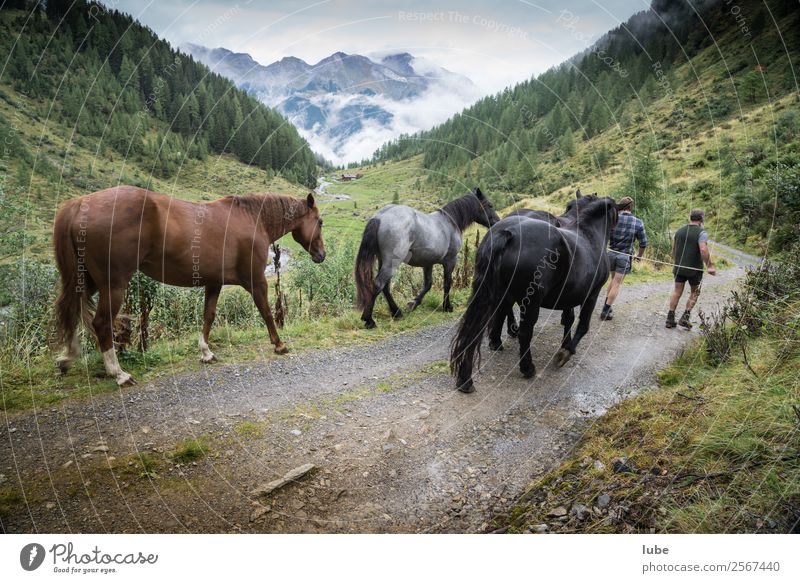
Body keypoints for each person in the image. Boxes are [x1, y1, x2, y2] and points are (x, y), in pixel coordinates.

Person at [666, 208, 716, 329]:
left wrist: (676, 261)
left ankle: (670, 319)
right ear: (701, 219)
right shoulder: (701, 233)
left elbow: (673, 250)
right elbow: (703, 250)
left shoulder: (679, 231)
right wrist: (710, 266)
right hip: (695, 269)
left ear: (691, 218)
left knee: (677, 291)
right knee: (695, 292)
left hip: (679, 267)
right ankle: (685, 318)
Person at [599, 196, 647, 321]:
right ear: (631, 207)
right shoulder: (638, 222)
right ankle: (605, 310)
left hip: (610, 254)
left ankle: (607, 305)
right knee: (617, 283)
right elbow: (643, 243)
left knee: (612, 280)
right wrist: (639, 256)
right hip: (624, 256)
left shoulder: (613, 219)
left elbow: (604, 236)